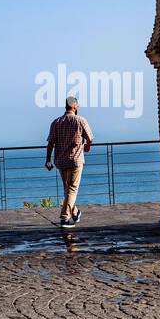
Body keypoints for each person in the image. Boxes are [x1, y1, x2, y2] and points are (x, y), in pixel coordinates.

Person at [45, 97, 94, 227]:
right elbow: (90, 138)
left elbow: (50, 143)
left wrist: (48, 160)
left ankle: (76, 212)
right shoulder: (81, 120)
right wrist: (87, 147)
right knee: (72, 189)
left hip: (60, 161)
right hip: (75, 160)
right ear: (75, 106)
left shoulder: (56, 122)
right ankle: (65, 218)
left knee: (67, 189)